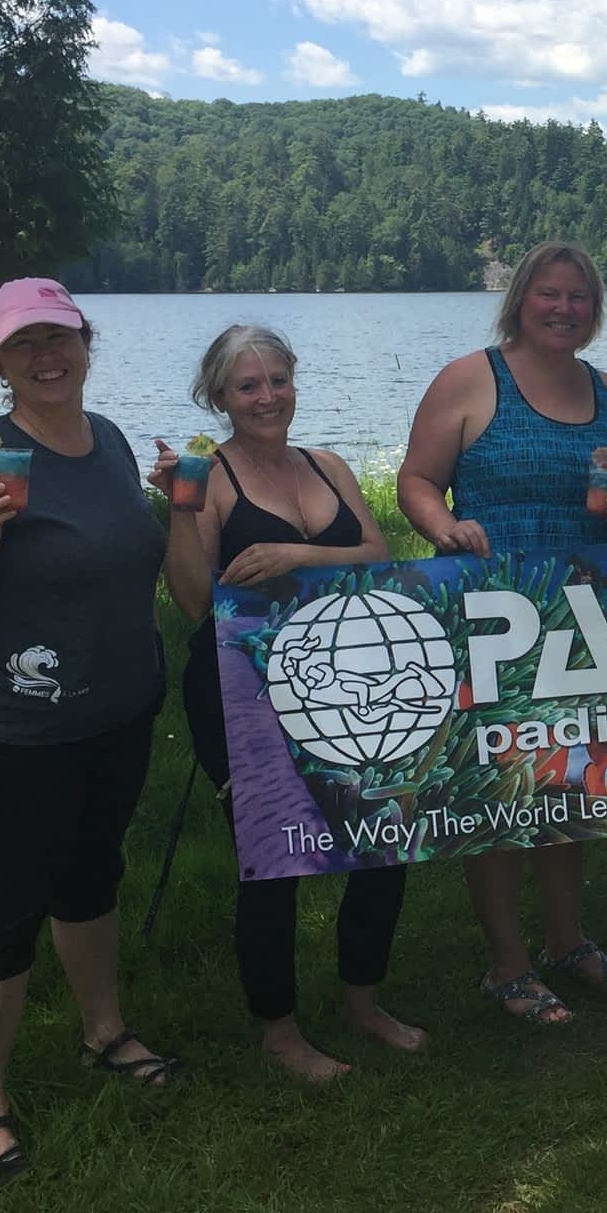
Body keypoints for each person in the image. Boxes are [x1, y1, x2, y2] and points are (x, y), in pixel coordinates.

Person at [0, 279, 181, 1186]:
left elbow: (126, 564)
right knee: (7, 904)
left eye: (58, 337)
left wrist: (174, 501)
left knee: (92, 875)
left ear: (84, 342)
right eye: (22, 344)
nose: (45, 356)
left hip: (117, 711)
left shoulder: (107, 442)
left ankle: (103, 1033)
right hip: (11, 730)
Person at [153, 325, 423, 1081]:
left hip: (345, 679)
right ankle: (279, 1029)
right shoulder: (209, 479)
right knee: (272, 856)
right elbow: (191, 600)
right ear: (219, 397)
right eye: (248, 385)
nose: (267, 396)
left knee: (382, 832)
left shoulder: (328, 465)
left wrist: (298, 554)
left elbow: (377, 556)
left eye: (278, 378)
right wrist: (181, 506)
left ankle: (363, 999)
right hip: (241, 689)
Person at [397, 241, 607, 1025]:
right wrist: (443, 525)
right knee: (501, 788)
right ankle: (506, 964)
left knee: (572, 777)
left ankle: (568, 941)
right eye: (549, 294)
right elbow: (416, 479)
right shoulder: (472, 378)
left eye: (579, 297)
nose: (563, 309)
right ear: (522, 300)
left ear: (595, 309)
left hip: (583, 616)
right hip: (492, 614)